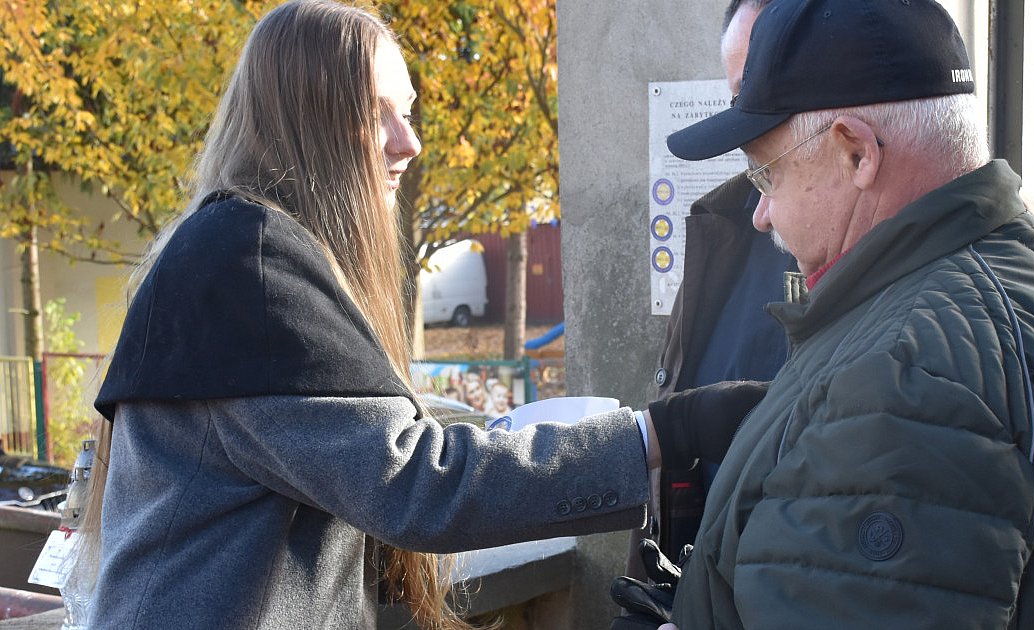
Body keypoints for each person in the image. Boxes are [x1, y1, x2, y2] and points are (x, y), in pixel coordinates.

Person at [78, 2, 766, 628]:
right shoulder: (250, 265)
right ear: (307, 117)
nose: (408, 142)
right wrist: (658, 433)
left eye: (406, 111)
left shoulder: (235, 249)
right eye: (376, 111)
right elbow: (417, 484)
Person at [624, 0, 1034, 627]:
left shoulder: (905, 377)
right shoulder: (1027, 263)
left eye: (766, 175)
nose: (762, 214)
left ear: (856, 153)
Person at [643, 0, 792, 564]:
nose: (746, 120)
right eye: (738, 94)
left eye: (767, 88)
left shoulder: (940, 286)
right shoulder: (726, 220)